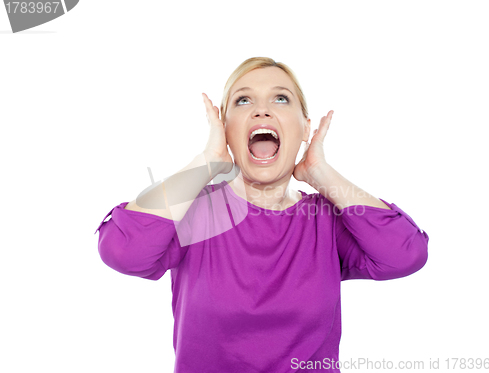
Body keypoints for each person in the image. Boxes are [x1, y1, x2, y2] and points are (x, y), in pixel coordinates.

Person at [95, 57, 429, 373]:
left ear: (304, 128)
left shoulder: (324, 221)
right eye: (243, 101)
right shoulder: (197, 214)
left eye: (281, 99)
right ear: (225, 129)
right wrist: (209, 160)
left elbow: (405, 253)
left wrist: (320, 172)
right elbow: (123, 250)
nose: (262, 111)